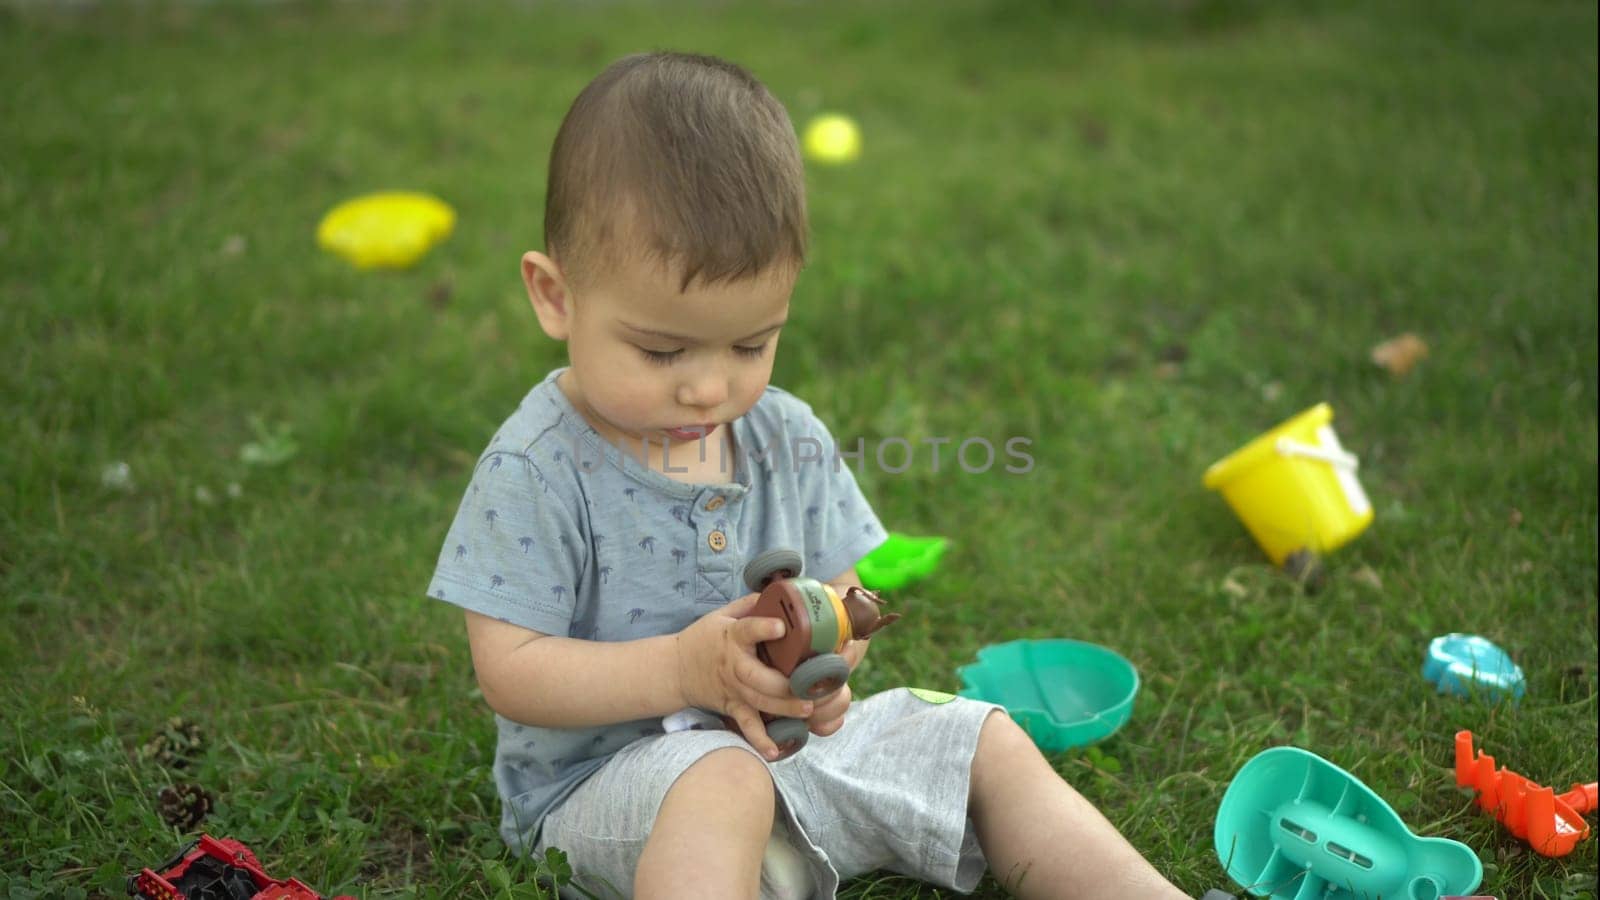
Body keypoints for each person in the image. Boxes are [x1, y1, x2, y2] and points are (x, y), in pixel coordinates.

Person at [427, 51, 1190, 900]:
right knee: (720, 783)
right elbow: (513, 671)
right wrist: (682, 671)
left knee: (979, 738)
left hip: (793, 755)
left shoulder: (785, 433)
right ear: (555, 296)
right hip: (612, 790)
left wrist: (832, 668)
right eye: (661, 349)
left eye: (751, 344)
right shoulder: (537, 467)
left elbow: (839, 596)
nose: (711, 387)